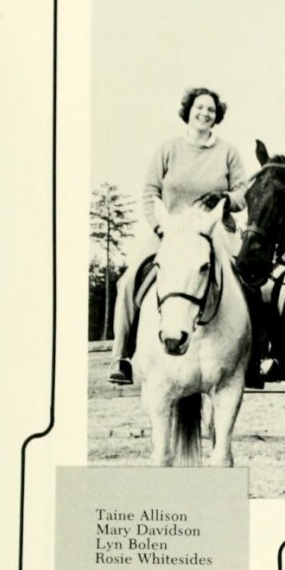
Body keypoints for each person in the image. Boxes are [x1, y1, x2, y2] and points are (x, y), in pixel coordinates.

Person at [108, 87, 259, 386]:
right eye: (199, 108)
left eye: (211, 110)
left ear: (217, 117)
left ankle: (256, 358)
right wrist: (159, 227)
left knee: (254, 281)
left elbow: (244, 195)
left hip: (213, 230)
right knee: (128, 281)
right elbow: (150, 192)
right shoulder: (168, 149)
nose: (205, 113)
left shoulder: (228, 152)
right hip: (172, 230)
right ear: (188, 111)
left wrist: (226, 198)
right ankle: (121, 356)